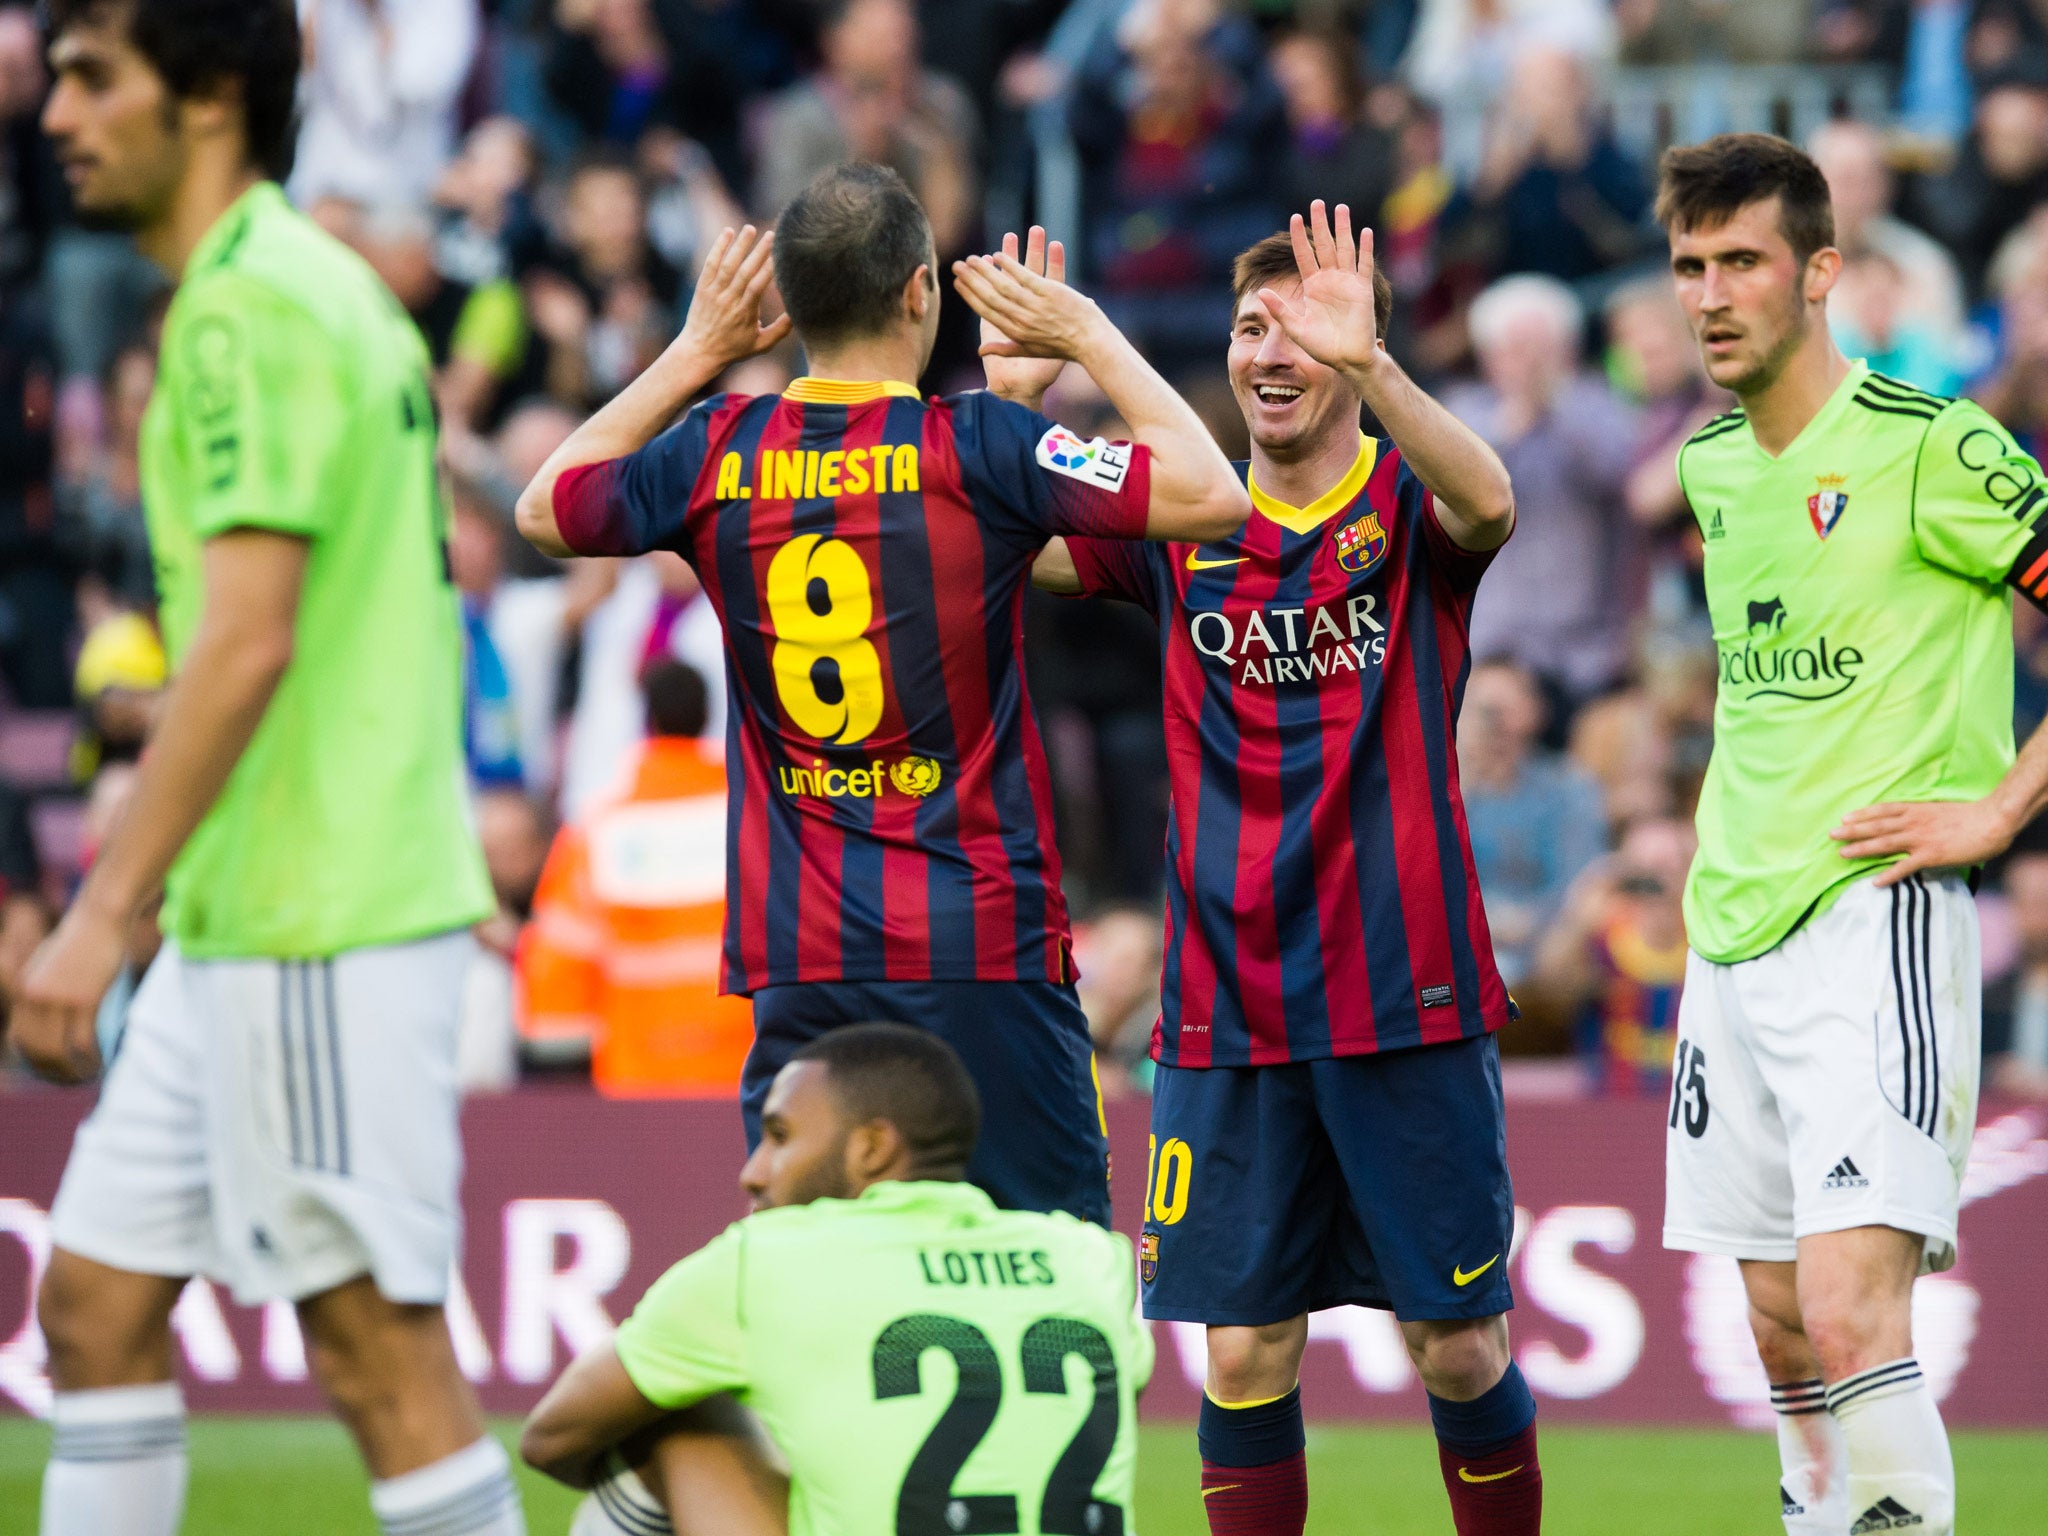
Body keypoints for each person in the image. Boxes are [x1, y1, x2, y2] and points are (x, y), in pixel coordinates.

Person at [516, 162, 1251, 1226]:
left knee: (816, 1271)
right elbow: (1208, 493)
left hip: (800, 955)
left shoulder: (719, 450)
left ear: (789, 305)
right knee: (1048, 1257)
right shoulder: (976, 447)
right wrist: (1084, 330)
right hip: (976, 944)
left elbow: (548, 506)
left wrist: (698, 351)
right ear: (921, 291)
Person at [15, 7, 510, 1536]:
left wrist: (103, 912)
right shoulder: (292, 287)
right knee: (94, 1306)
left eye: (96, 77)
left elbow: (244, 644)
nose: (57, 114)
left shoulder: (249, 310)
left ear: (211, 95)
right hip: (252, 923)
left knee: (376, 1360)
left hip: (318, 915)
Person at [1034, 201, 1536, 1536]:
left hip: (1404, 995)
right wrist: (1000, 412)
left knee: (1459, 1348)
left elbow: (1491, 498)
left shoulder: (1406, 509)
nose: (1269, 349)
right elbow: (1001, 540)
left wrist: (1374, 363)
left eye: (1302, 329)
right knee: (1243, 1354)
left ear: (1355, 348)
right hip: (1225, 1014)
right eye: (1252, 326)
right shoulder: (1186, 517)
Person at [1658, 132, 2048, 1536]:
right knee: (1773, 1320)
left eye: (1744, 261)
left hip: (1874, 914)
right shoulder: (1710, 468)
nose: (1711, 294)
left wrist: (2000, 804)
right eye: (1690, 265)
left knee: (1846, 1304)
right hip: (1729, 930)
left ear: (1822, 272)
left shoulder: (1932, 445)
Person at [521, 1022, 1152, 1536]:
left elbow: (551, 1437)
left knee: (682, 1417)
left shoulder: (766, 1257)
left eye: (779, 1137)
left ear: (872, 1149)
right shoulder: (1090, 1258)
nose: (754, 1172)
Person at [518, 658, 755, 1095]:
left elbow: (558, 961)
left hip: (637, 1079)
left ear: (647, 720)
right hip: (744, 1072)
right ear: (707, 716)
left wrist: (557, 1072)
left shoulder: (599, 831)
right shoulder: (753, 823)